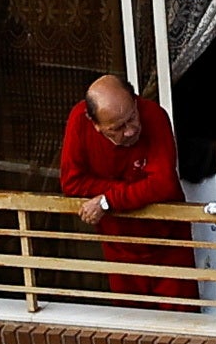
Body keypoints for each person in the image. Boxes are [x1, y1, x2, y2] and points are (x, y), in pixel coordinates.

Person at [53, 73, 186, 300]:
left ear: (135, 100)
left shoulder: (154, 115)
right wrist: (138, 189)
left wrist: (108, 200)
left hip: (168, 240)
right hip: (119, 244)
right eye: (117, 128)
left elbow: (164, 184)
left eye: (132, 117)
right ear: (96, 125)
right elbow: (71, 183)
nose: (130, 130)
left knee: (183, 323)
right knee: (130, 323)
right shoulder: (79, 122)